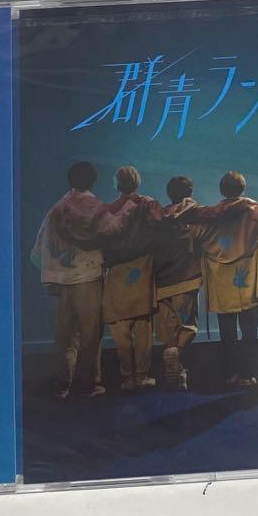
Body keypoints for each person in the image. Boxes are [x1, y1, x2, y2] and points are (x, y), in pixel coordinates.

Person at [30, 160, 138, 399]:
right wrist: (129, 205)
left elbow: (38, 250)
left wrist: (56, 270)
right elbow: (113, 229)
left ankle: (63, 385)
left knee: (65, 335)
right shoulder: (93, 205)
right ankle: (88, 384)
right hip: (88, 276)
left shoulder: (57, 208)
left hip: (63, 279)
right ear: (92, 181)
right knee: (90, 333)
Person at [178, 171, 258, 389]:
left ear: (222, 190)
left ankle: (230, 374)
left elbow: (194, 233)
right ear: (242, 188)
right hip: (248, 277)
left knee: (227, 332)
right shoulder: (253, 210)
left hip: (221, 280)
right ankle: (247, 374)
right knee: (249, 331)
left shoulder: (212, 215)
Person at [101, 166, 163, 393]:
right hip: (141, 267)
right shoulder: (147, 204)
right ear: (137, 182)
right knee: (142, 324)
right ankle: (142, 375)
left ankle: (127, 377)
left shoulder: (108, 209)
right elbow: (161, 224)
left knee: (120, 325)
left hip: (117, 271)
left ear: (117, 184)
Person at [151, 175, 202, 391]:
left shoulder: (160, 218)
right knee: (188, 325)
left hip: (162, 281)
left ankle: (178, 371)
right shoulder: (194, 215)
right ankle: (177, 352)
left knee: (169, 327)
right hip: (186, 278)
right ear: (189, 192)